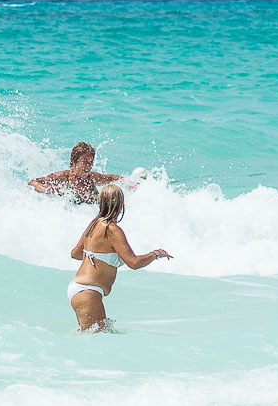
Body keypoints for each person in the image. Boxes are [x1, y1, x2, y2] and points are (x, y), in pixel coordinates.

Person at [67, 184, 172, 332]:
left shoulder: (93, 224)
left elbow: (75, 254)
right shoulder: (112, 229)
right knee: (96, 341)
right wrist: (155, 254)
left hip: (79, 289)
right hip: (88, 292)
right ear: (121, 205)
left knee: (92, 339)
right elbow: (134, 263)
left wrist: (96, 252)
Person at [29, 142, 122, 204]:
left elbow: (112, 178)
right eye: (85, 162)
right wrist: (46, 190)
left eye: (91, 162)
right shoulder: (63, 177)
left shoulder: (92, 177)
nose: (89, 166)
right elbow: (32, 183)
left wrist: (128, 183)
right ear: (74, 162)